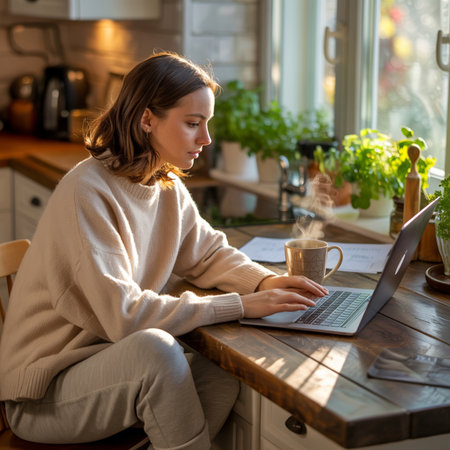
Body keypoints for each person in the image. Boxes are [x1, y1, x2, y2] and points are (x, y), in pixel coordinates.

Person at [0, 51, 328, 449]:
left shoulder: (163, 184)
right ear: (146, 119)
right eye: (193, 124)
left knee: (229, 357)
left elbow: (208, 253)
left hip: (103, 367)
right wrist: (241, 304)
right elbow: (124, 316)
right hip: (44, 394)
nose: (205, 139)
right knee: (156, 352)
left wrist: (266, 281)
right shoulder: (86, 192)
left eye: (206, 124)